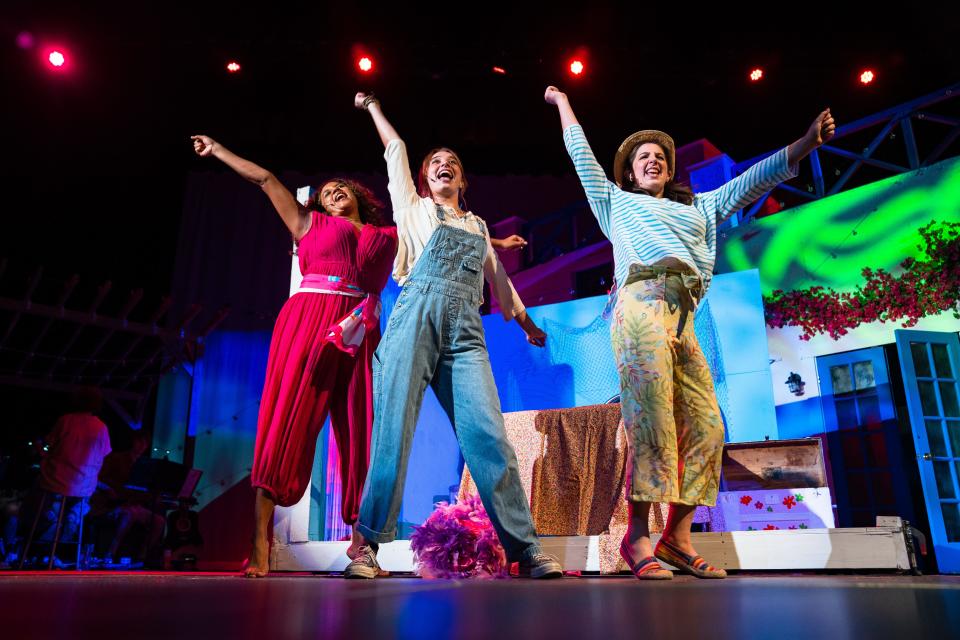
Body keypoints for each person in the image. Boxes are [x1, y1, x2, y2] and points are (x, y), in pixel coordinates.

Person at [544, 85, 835, 579]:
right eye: (643, 157)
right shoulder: (615, 202)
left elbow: (749, 182)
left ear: (669, 167)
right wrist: (564, 103)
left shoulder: (697, 208)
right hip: (640, 306)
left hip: (683, 316)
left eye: (660, 156)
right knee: (653, 420)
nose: (652, 161)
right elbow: (581, 155)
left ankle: (676, 538)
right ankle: (637, 539)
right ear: (629, 171)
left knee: (707, 426)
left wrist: (805, 143)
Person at [344, 92, 562, 580]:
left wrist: (525, 324)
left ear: (463, 180)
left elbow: (497, 278)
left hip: (465, 331)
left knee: (489, 436)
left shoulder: (478, 225)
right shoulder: (413, 208)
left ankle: (523, 548)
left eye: (453, 164)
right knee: (394, 431)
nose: (444, 166)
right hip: (415, 317)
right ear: (426, 177)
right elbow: (396, 148)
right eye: (436, 163)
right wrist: (377, 108)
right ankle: (367, 547)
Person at [192, 135, 398, 577]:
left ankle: (363, 546)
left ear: (360, 196)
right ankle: (259, 542)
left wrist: (490, 241)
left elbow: (436, 236)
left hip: (359, 330)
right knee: (287, 419)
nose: (335, 191)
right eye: (326, 191)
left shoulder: (387, 235)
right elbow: (266, 178)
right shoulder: (309, 224)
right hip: (309, 322)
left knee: (363, 431)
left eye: (342, 187)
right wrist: (220, 151)